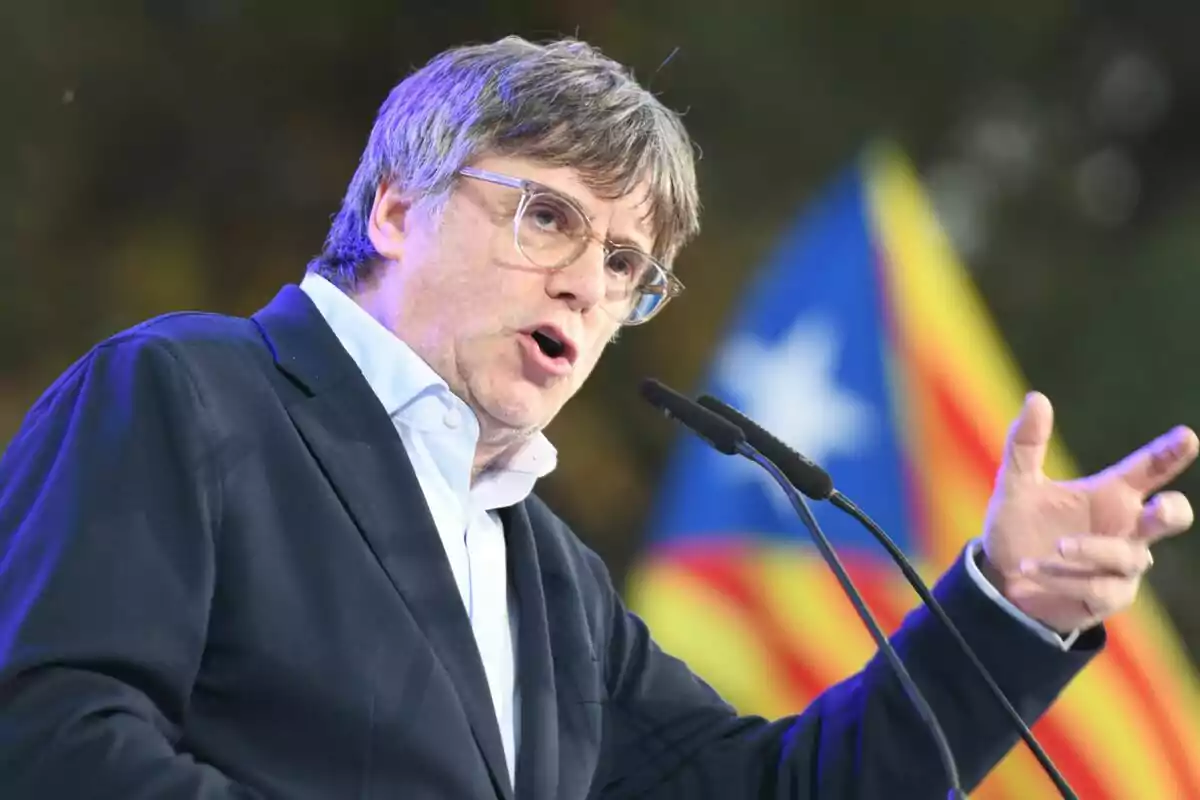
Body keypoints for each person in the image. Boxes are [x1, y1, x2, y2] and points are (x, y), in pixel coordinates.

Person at [0, 35, 1194, 800]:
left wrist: (1004, 608)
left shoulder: (551, 577)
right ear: (399, 208)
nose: (590, 282)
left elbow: (778, 795)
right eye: (550, 218)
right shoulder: (189, 391)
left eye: (629, 264)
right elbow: (49, 740)